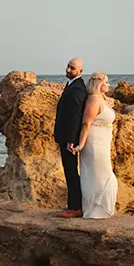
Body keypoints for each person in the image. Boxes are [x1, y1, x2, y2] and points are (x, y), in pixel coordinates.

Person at [70, 72, 118, 219]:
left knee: (102, 175)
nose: (109, 85)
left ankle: (101, 209)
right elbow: (86, 123)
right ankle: (94, 210)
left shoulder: (101, 99)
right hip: (94, 144)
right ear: (99, 83)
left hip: (103, 143)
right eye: (106, 82)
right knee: (99, 175)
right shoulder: (93, 100)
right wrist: (81, 145)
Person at [53, 58, 87, 218]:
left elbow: (75, 116)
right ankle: (73, 205)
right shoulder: (71, 85)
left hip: (69, 139)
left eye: (72, 68)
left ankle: (75, 208)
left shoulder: (77, 88)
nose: (68, 70)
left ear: (80, 71)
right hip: (66, 136)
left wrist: (71, 140)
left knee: (71, 172)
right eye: (68, 66)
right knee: (69, 171)